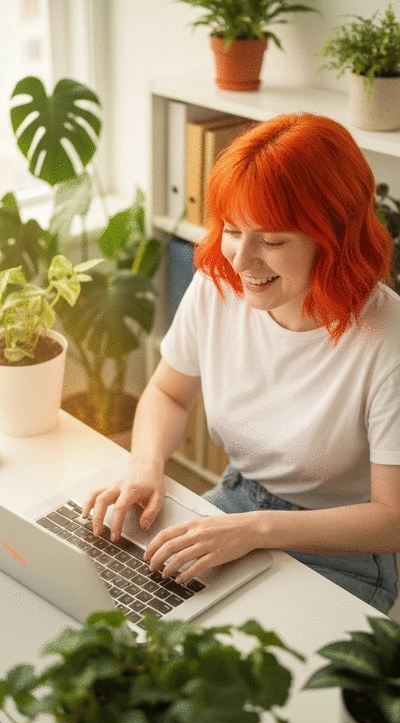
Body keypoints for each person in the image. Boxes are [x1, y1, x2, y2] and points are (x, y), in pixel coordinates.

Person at [82, 112, 400, 615]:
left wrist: (255, 531)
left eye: (272, 241)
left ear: (334, 237)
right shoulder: (218, 285)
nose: (241, 260)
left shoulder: (388, 342)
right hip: (235, 503)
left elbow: (391, 518)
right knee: (118, 618)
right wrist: (145, 467)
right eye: (232, 230)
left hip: (343, 549)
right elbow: (168, 392)